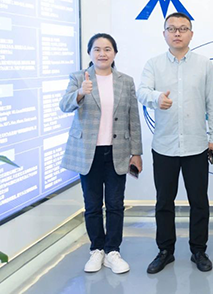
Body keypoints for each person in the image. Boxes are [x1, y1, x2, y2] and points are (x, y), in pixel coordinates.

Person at [138, 12, 213, 274]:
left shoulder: (204, 64)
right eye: (172, 28)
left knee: (199, 202)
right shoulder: (153, 64)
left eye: (183, 28)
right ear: (164, 33)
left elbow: (212, 103)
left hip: (197, 145)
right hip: (165, 145)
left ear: (191, 34)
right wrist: (156, 98)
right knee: (164, 202)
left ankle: (199, 250)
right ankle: (165, 250)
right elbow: (142, 92)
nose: (177, 33)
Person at [60, 33, 143, 274]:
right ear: (90, 53)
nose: (102, 54)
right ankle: (96, 249)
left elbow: (133, 118)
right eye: (97, 49)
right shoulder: (79, 78)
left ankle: (112, 251)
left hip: (117, 151)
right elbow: (64, 105)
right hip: (88, 153)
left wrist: (136, 152)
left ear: (115, 53)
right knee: (92, 205)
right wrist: (80, 93)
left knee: (116, 204)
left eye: (107, 49)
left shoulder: (125, 81)